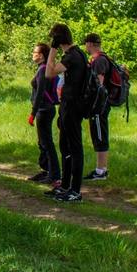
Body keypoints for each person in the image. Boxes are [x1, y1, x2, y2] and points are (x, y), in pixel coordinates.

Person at [44, 22, 90, 204]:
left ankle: (75, 190)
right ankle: (65, 185)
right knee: (65, 147)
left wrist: (52, 51)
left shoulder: (72, 56)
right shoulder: (76, 53)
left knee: (74, 148)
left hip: (73, 106)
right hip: (68, 106)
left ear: (58, 39)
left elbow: (49, 73)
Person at [27, 42, 60, 186]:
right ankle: (46, 170)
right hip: (45, 109)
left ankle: (54, 174)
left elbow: (40, 92)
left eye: (35, 52)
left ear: (41, 55)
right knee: (42, 142)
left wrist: (33, 113)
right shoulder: (44, 68)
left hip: (44, 109)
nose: (32, 54)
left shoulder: (43, 70)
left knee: (46, 143)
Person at [84, 32, 111, 181]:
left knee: (100, 135)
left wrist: (92, 104)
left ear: (90, 44)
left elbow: (99, 86)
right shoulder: (102, 58)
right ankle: (100, 169)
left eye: (86, 44)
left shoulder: (99, 60)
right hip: (100, 105)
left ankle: (101, 171)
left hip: (100, 106)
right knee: (98, 134)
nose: (85, 47)